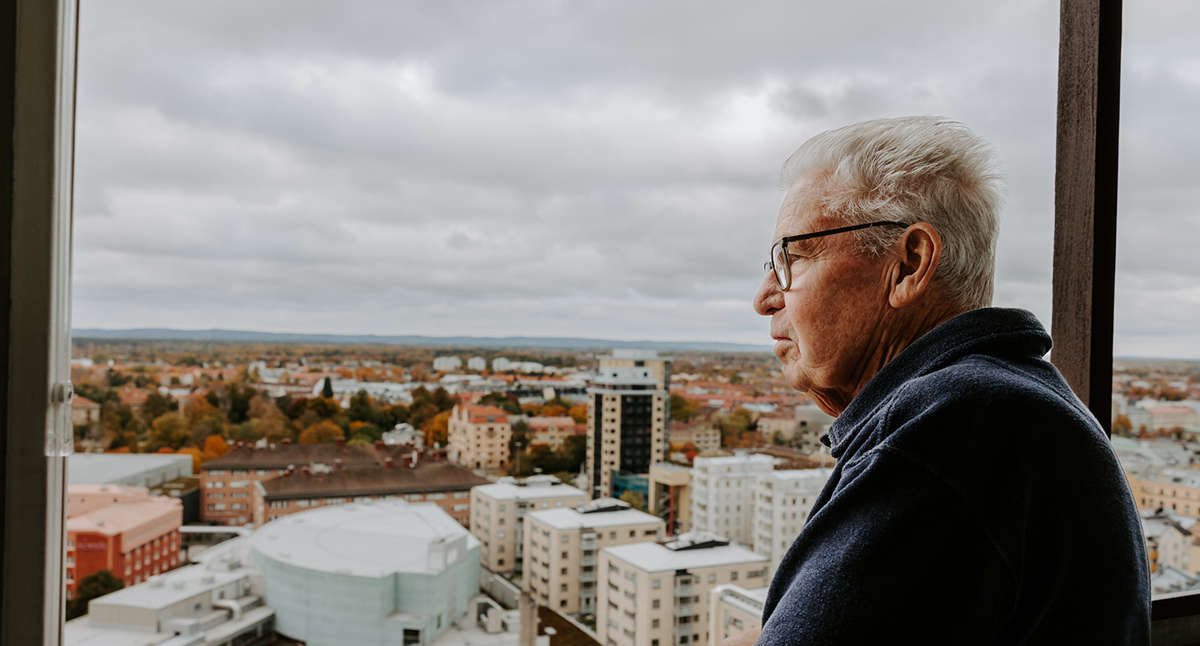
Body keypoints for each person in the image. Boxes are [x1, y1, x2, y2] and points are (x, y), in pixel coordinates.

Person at [728, 116, 1149, 644]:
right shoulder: (1010, 400)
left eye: (792, 259)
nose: (765, 296)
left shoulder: (957, 424)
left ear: (909, 264)